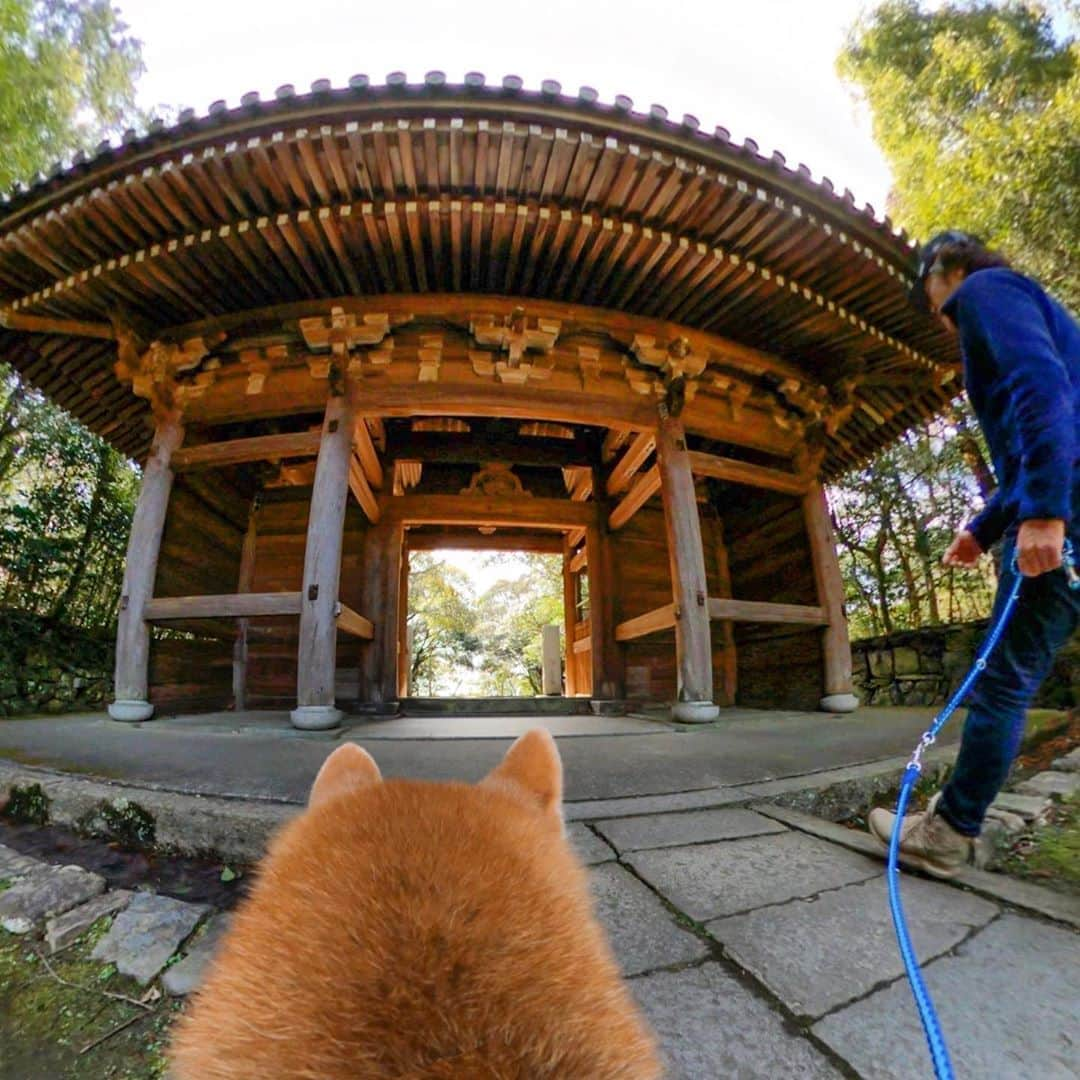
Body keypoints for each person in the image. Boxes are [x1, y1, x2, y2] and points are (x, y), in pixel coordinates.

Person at [868, 231, 1080, 878]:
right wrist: (986, 527)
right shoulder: (1025, 302)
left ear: (944, 267)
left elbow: (1041, 388)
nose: (932, 309)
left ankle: (951, 830)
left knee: (1005, 679)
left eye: (926, 290)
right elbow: (1028, 442)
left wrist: (1045, 510)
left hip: (1068, 511)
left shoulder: (986, 290)